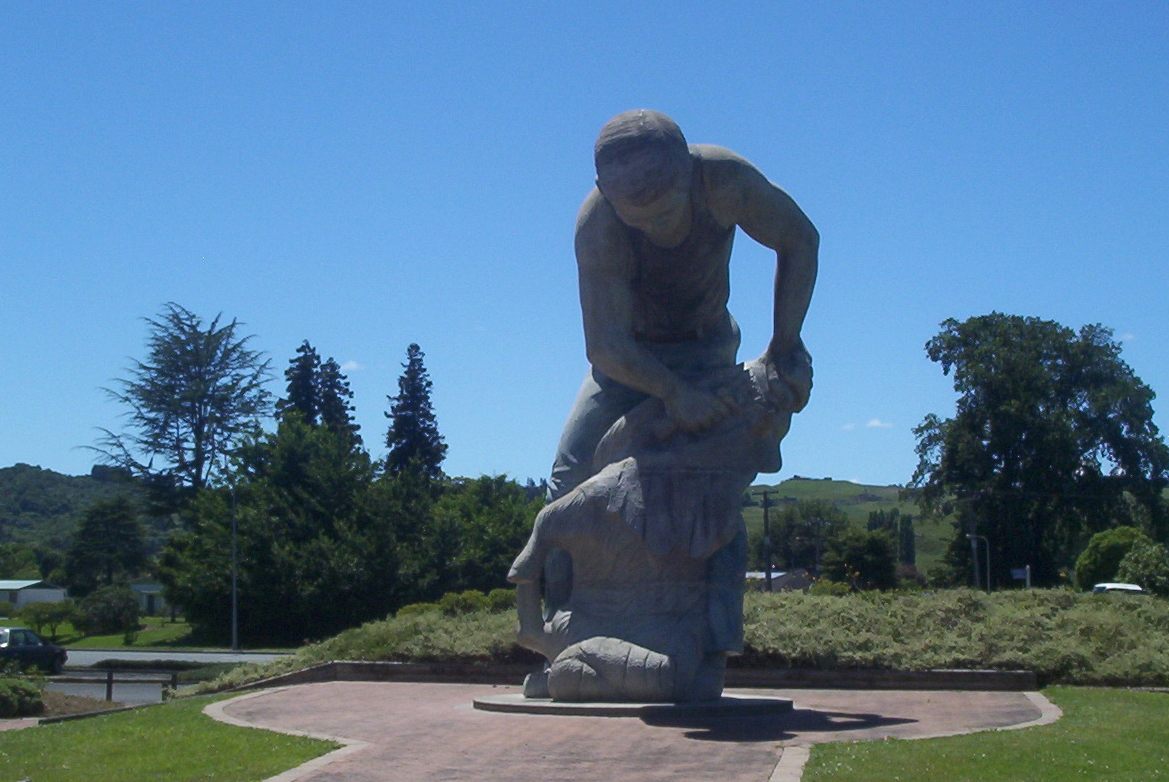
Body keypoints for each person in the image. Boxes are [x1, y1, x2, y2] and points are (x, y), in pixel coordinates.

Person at [547, 109, 818, 500]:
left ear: (688, 169)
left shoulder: (724, 181)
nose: (658, 228)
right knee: (569, 481)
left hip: (707, 348)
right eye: (640, 221)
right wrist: (675, 393)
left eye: (668, 211)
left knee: (705, 479)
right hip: (627, 362)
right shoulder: (598, 227)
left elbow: (800, 239)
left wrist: (785, 341)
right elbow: (605, 345)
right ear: (606, 191)